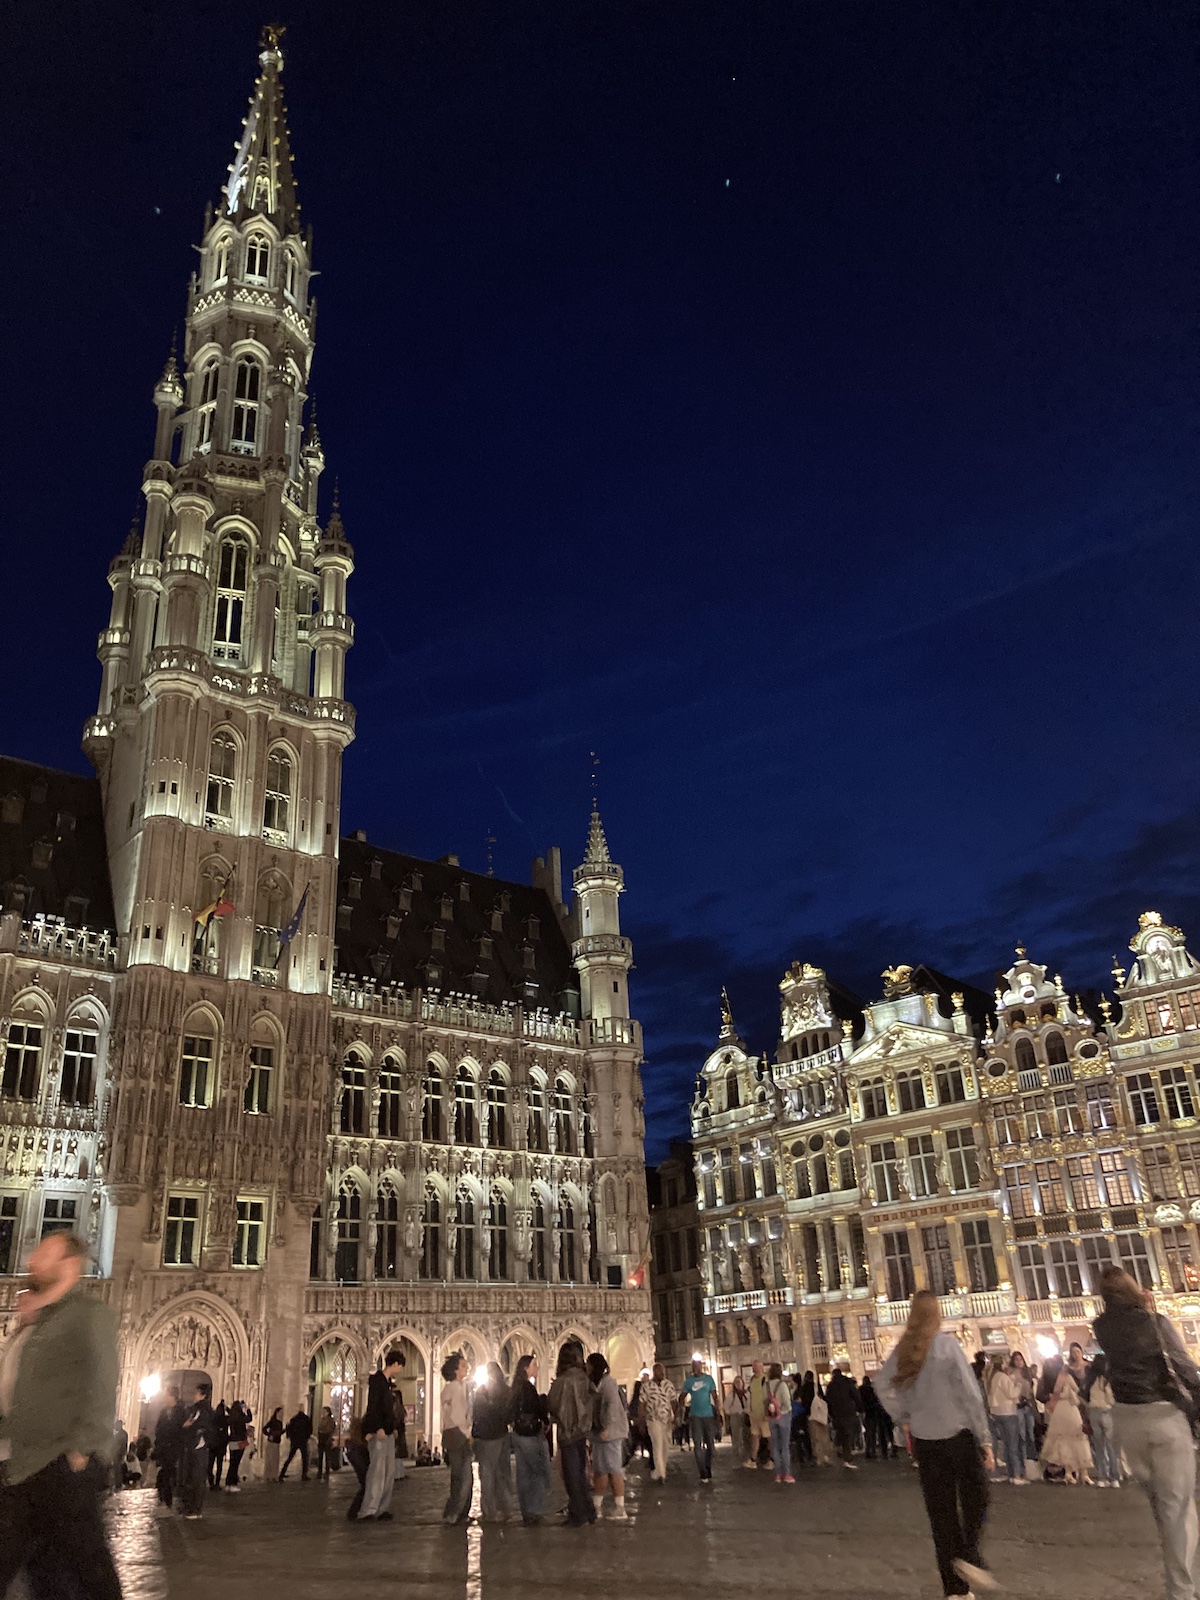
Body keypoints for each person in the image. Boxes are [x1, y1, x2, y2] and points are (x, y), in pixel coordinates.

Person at [0, 1231, 123, 1600]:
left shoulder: (88, 1314)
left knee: (86, 1566)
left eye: (44, 1254)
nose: (32, 1260)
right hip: (26, 1461)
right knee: (55, 1569)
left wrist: (82, 1449)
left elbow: (103, 1379)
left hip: (59, 1462)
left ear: (69, 1264)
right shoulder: (41, 1318)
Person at [875, 1289, 996, 1600]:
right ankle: (968, 1555)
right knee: (977, 1499)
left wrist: (904, 1416)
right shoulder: (946, 1346)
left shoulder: (903, 1351)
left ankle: (954, 1590)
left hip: (926, 1443)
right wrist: (984, 1438)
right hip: (958, 1437)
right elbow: (970, 1394)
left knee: (941, 1515)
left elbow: (881, 1385)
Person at [1094, 1265, 1200, 1600]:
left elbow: (1125, 1342)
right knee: (1177, 1510)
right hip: (1163, 1417)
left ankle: (1181, 1582)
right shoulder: (1154, 1322)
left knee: (1163, 1508)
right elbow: (1183, 1367)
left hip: (1127, 1421)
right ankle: (1182, 1591)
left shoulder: (1101, 1326)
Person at [548, 1341, 594, 1525]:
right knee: (581, 1473)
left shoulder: (562, 1381)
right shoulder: (584, 1378)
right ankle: (588, 1510)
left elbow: (552, 1404)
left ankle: (578, 1513)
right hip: (582, 1431)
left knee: (571, 1475)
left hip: (567, 1431)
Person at [360, 1349, 405, 1520]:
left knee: (389, 1472)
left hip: (388, 1432)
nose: (400, 1370)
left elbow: (388, 1410)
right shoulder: (377, 1381)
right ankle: (369, 1510)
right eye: (400, 1366)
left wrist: (392, 1427)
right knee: (377, 1472)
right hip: (378, 1432)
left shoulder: (387, 1383)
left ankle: (381, 1508)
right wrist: (377, 1427)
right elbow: (373, 1407)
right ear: (395, 1364)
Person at [586, 1351, 630, 1519]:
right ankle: (597, 1506)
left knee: (613, 1469)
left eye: (589, 1365)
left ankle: (620, 1507)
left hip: (610, 1433)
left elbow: (610, 1406)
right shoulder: (597, 1384)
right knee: (600, 1469)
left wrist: (605, 1427)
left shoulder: (608, 1383)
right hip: (600, 1434)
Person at [510, 1354, 551, 1523]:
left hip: (518, 1433)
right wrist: (545, 1417)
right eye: (534, 1365)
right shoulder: (528, 1388)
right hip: (530, 1435)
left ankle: (526, 1510)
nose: (537, 1368)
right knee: (539, 1471)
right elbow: (537, 1409)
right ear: (526, 1368)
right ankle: (534, 1510)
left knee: (523, 1473)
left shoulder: (515, 1388)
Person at [472, 1362, 514, 1522]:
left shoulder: (482, 1391)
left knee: (487, 1473)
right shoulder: (506, 1391)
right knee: (503, 1472)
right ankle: (506, 1508)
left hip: (487, 1437)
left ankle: (490, 1511)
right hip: (503, 1434)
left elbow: (478, 1413)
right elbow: (510, 1413)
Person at [1040, 1364, 1092, 1484]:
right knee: (1078, 1438)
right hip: (1070, 1408)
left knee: (1063, 1439)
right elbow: (1077, 1389)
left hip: (1059, 1410)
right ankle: (1083, 1473)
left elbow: (1054, 1393)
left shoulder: (1051, 1379)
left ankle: (1068, 1472)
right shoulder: (1067, 1377)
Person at [440, 1351, 474, 1525]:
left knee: (460, 1476)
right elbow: (457, 1416)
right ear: (455, 1370)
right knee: (464, 1476)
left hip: (453, 1434)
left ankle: (458, 1512)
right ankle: (455, 1512)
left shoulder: (455, 1388)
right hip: (457, 1434)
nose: (466, 1368)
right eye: (463, 1366)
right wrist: (467, 1433)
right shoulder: (455, 1388)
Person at [983, 1357, 1024, 1485]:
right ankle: (1016, 1474)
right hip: (1008, 1412)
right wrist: (1018, 1385)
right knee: (1013, 1444)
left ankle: (1010, 1472)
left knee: (1006, 1444)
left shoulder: (991, 1378)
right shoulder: (1002, 1377)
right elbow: (1012, 1394)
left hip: (996, 1413)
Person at [679, 1357, 721, 1482]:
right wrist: (681, 1408)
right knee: (697, 1445)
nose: (695, 1369)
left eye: (697, 1366)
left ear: (701, 1367)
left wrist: (717, 1411)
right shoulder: (689, 1381)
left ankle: (708, 1467)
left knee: (710, 1445)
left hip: (708, 1415)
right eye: (693, 1367)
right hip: (695, 1416)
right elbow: (682, 1396)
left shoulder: (708, 1379)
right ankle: (702, 1472)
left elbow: (715, 1396)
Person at [179, 1383, 216, 1520]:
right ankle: (194, 1507)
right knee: (196, 1478)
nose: (194, 1396)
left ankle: (193, 1508)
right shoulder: (205, 1410)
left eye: (196, 1393)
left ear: (202, 1395)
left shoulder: (200, 1410)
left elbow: (192, 1425)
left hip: (197, 1447)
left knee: (195, 1478)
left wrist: (190, 1428)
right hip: (199, 1447)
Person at [1082, 1352, 1119, 1487]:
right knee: (1110, 1446)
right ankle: (1114, 1477)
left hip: (1093, 1412)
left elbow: (1083, 1395)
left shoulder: (1089, 1380)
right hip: (1106, 1411)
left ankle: (1103, 1477)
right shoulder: (1106, 1380)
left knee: (1099, 1446)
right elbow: (1110, 1398)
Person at [639, 1364, 679, 1482]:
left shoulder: (668, 1385)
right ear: (654, 1372)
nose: (662, 1373)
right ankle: (661, 1474)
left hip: (666, 1420)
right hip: (653, 1419)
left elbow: (673, 1401)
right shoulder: (646, 1387)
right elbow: (642, 1404)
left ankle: (659, 1470)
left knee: (666, 1445)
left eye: (663, 1371)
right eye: (659, 1371)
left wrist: (675, 1418)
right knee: (657, 1444)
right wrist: (641, 1421)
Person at [153, 1388, 184, 1515]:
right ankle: (164, 1499)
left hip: (174, 1448)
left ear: (173, 1397)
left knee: (169, 1473)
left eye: (167, 1396)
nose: (165, 1398)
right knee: (165, 1473)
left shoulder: (180, 1412)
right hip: (163, 1447)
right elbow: (158, 1429)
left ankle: (168, 1500)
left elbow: (181, 1429)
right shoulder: (163, 1411)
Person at [825, 1364, 862, 1469]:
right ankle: (847, 1457)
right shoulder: (848, 1383)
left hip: (837, 1414)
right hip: (849, 1412)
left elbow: (828, 1401)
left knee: (841, 1433)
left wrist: (831, 1414)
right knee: (848, 1435)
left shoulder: (831, 1386)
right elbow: (856, 1396)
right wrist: (860, 1409)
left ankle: (840, 1451)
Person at [764, 1362, 794, 1484]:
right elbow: (787, 1401)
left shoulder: (766, 1385)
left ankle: (778, 1474)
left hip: (772, 1417)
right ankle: (787, 1474)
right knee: (785, 1446)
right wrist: (788, 1410)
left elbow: (764, 1401)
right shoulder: (782, 1385)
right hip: (783, 1415)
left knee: (775, 1446)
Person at [1008, 1352, 1037, 1467]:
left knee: (1031, 1431)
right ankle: (1024, 1457)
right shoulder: (1011, 1373)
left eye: (1021, 1359)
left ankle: (1032, 1456)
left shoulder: (1027, 1373)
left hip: (1028, 1405)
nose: (1019, 1362)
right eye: (1016, 1360)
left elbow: (1031, 1391)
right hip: (1018, 1405)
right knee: (1021, 1433)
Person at [861, 1374, 894, 1460]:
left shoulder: (861, 1390)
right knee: (885, 1432)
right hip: (879, 1413)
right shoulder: (875, 1390)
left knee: (870, 1433)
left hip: (868, 1413)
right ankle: (888, 1450)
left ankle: (870, 1451)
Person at [344, 1414, 370, 1522]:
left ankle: (356, 1511)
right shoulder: (358, 1446)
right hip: (359, 1459)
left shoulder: (355, 1444)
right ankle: (354, 1511)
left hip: (357, 1457)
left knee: (365, 1486)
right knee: (365, 1485)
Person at [746, 1359, 770, 1469]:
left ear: (761, 1367)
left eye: (755, 1366)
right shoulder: (752, 1379)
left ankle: (772, 1459)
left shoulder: (765, 1379)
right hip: (754, 1413)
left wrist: (768, 1412)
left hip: (763, 1412)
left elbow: (768, 1396)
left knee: (768, 1436)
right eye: (753, 1366)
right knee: (754, 1437)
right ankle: (753, 1459)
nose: (753, 1368)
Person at [280, 1406, 313, 1481]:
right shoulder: (306, 1419)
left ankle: (282, 1473)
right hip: (302, 1441)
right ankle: (304, 1475)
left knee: (290, 1457)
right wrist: (306, 1437)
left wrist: (291, 1437)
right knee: (304, 1458)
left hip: (295, 1441)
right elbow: (310, 1429)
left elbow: (289, 1428)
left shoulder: (294, 1419)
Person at [808, 1378, 835, 1466]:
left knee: (815, 1438)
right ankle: (826, 1456)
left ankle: (818, 1458)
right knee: (824, 1437)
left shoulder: (805, 1389)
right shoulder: (818, 1390)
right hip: (822, 1417)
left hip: (812, 1416)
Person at [225, 1400, 251, 1491]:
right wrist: (247, 1409)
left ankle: (228, 1483)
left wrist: (226, 1408)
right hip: (240, 1441)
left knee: (232, 1463)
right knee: (236, 1463)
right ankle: (233, 1484)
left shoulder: (231, 1416)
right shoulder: (240, 1417)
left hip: (232, 1441)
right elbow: (249, 1418)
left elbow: (230, 1412)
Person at [726, 1374, 751, 1467]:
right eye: (736, 1382)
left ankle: (747, 1458)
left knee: (747, 1437)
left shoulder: (747, 1394)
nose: (738, 1384)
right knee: (736, 1439)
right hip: (735, 1416)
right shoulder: (731, 1395)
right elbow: (726, 1407)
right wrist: (732, 1412)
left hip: (746, 1416)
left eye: (739, 1382)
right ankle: (736, 1460)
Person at [208, 1400, 229, 1490]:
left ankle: (211, 1482)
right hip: (221, 1446)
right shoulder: (225, 1419)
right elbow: (233, 1416)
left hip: (213, 1445)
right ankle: (217, 1483)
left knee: (210, 1465)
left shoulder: (212, 1419)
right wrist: (227, 1408)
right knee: (219, 1465)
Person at [261, 1407, 284, 1482]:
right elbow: (264, 1429)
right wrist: (269, 1435)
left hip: (277, 1443)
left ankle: (274, 1476)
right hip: (271, 1443)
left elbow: (279, 1433)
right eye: (281, 1412)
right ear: (277, 1413)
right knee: (270, 1460)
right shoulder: (272, 1421)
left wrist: (284, 1430)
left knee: (275, 1460)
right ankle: (268, 1476)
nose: (282, 1414)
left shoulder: (280, 1423)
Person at [315, 1406, 337, 1482]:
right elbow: (319, 1428)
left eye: (324, 1411)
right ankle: (319, 1471)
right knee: (320, 1456)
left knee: (327, 1456)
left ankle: (327, 1471)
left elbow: (331, 1430)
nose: (323, 1413)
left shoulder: (330, 1421)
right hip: (321, 1438)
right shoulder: (321, 1420)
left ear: (328, 1412)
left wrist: (328, 1437)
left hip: (327, 1438)